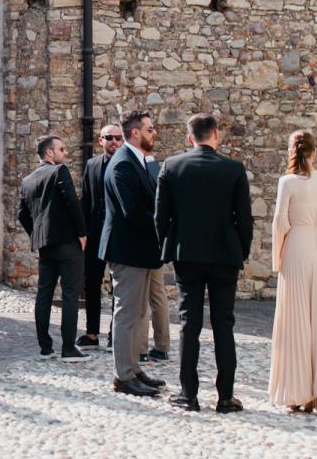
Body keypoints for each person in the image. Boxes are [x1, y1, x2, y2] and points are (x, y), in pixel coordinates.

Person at [155, 113, 254, 413]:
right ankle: (225, 397)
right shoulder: (233, 169)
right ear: (216, 135)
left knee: (190, 325)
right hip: (225, 255)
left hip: (188, 255)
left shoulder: (172, 166)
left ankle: (189, 394)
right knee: (224, 325)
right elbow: (244, 219)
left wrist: (167, 247)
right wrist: (241, 251)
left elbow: (161, 216)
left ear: (190, 138)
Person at [268, 130, 317, 412]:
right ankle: (316, 393)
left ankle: (295, 391)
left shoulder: (287, 182)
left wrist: (278, 260)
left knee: (295, 322)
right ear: (314, 152)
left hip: (296, 249)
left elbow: (280, 223)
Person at [99, 110, 165, 397]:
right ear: (136, 133)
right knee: (127, 313)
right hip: (128, 250)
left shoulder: (139, 161)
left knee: (139, 312)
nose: (155, 133)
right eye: (150, 129)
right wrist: (166, 224)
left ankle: (134, 369)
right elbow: (133, 211)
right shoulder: (123, 164)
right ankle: (123, 376)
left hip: (142, 250)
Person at [20, 135, 89, 362]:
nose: (65, 153)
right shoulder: (59, 172)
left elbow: (22, 214)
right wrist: (82, 233)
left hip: (44, 246)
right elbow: (72, 202)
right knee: (70, 294)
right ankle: (68, 348)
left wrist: (36, 235)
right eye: (61, 149)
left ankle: (45, 347)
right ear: (49, 153)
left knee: (44, 293)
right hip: (67, 242)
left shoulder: (27, 180)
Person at [78, 124, 122, 349]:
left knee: (119, 287)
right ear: (100, 141)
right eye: (109, 138)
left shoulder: (127, 164)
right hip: (95, 234)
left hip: (119, 234)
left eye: (118, 138)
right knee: (91, 283)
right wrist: (82, 233)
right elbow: (85, 200)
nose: (114, 141)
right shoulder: (92, 164)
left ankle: (116, 334)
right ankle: (92, 333)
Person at [137, 150, 172, 364]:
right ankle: (162, 346)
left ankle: (140, 348)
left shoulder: (135, 168)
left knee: (141, 296)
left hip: (140, 239)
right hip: (157, 239)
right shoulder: (158, 169)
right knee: (157, 295)